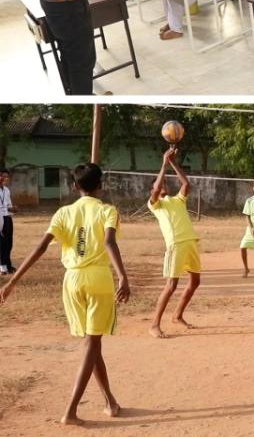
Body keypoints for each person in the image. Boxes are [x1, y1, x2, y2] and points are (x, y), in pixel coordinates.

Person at [0, 163, 130, 425]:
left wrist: (13, 281)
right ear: (100, 186)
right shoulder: (107, 210)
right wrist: (123, 276)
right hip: (97, 279)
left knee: (92, 345)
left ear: (74, 186)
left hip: (72, 282)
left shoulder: (63, 213)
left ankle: (110, 402)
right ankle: (71, 411)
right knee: (91, 344)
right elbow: (108, 242)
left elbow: (40, 247)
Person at [147, 147, 201, 338]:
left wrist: (172, 162)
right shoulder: (155, 204)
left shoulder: (177, 200)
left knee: (195, 282)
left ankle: (177, 315)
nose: (162, 186)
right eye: (158, 184)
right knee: (171, 285)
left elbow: (186, 183)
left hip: (190, 243)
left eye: (163, 184)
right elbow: (155, 191)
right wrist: (163, 164)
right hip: (176, 245)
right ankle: (154, 324)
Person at [0, 169, 13, 274]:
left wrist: (13, 209)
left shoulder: (7, 190)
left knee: (9, 243)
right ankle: (2, 267)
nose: (6, 179)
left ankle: (8, 265)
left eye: (7, 177)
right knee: (2, 243)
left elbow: (8, 206)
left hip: (7, 217)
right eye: (4, 176)